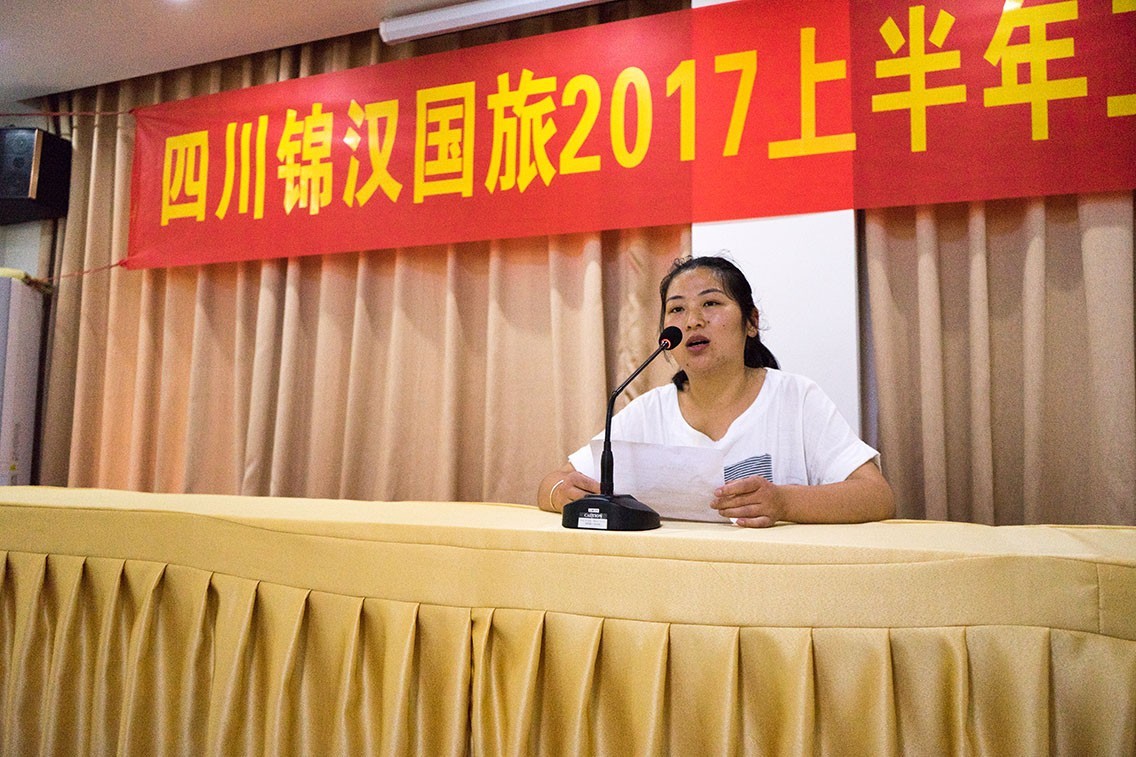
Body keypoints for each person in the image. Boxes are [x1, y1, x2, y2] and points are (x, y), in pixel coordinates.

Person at [537, 255, 895, 527]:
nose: (693, 320)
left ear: (751, 322)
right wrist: (561, 494)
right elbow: (551, 483)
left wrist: (784, 503)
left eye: (710, 303)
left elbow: (877, 496)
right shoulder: (648, 412)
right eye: (677, 309)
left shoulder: (796, 399)